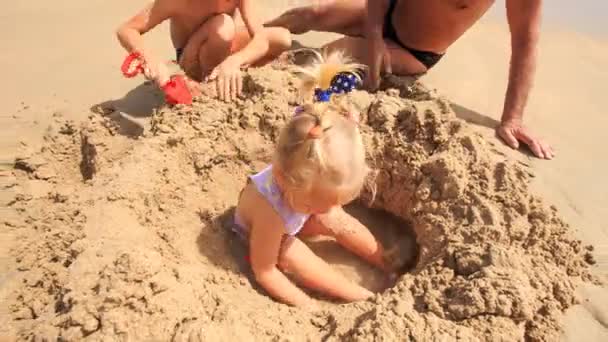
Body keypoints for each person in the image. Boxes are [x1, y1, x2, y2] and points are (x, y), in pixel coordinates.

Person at [266, 0, 554, 160]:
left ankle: (266, 54)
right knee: (311, 13)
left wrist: (512, 118)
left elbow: (525, 42)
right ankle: (254, 31)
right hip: (386, 10)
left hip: (413, 50)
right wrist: (374, 37)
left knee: (325, 61)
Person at [234, 52, 393, 308]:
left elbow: (323, 208)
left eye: (332, 202)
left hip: (294, 212)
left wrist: (321, 211)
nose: (326, 210)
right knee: (290, 251)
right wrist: (306, 306)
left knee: (336, 219)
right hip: (264, 232)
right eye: (314, 205)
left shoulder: (303, 176)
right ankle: (359, 296)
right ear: (281, 179)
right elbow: (265, 272)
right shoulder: (270, 214)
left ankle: (385, 261)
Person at [116, 0, 291, 102]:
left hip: (224, 47)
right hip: (192, 58)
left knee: (282, 37)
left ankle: (227, 70)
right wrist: (151, 59)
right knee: (223, 26)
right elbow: (127, 29)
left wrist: (235, 60)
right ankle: (208, 84)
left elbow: (260, 38)